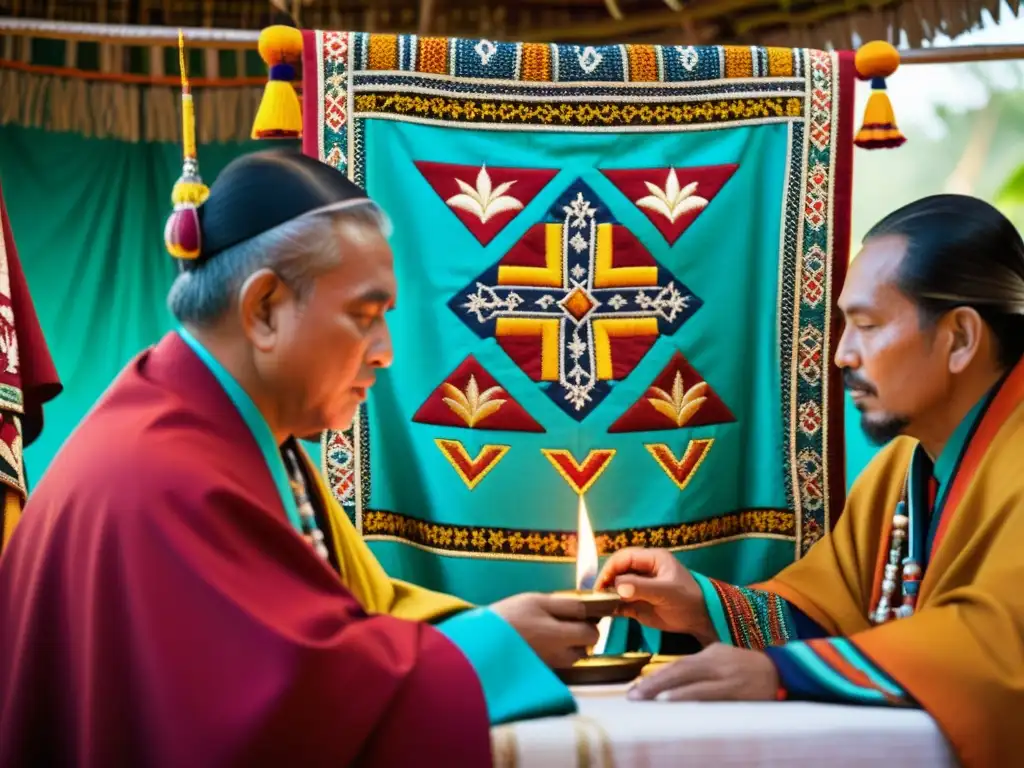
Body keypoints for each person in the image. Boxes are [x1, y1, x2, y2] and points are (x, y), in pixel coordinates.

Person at [0, 84, 598, 768]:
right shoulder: (164, 476)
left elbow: (342, 620)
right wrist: (489, 652)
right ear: (263, 310)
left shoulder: (223, 430)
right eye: (365, 314)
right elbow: (287, 704)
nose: (386, 351)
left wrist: (486, 628)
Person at [596, 194, 1024, 768]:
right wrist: (701, 606)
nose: (842, 353)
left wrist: (782, 672)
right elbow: (835, 609)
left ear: (962, 338)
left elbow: (1001, 642)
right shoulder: (900, 468)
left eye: (867, 325)